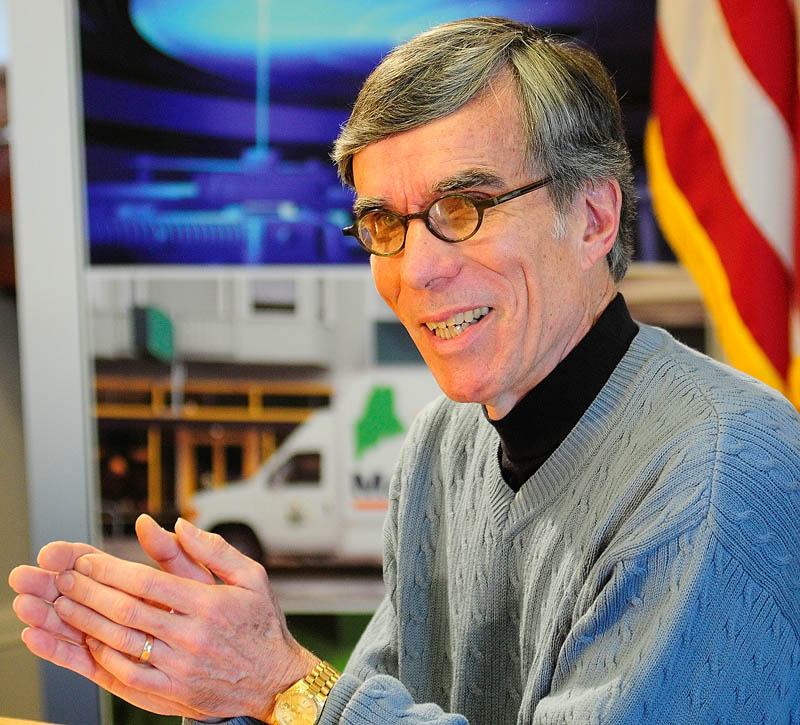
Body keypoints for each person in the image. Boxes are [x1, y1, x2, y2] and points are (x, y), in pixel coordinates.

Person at [9, 16, 800, 725]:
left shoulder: (718, 475)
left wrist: (281, 686)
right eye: (384, 222)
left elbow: (325, 703)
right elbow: (374, 692)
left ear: (594, 215)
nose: (415, 270)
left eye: (466, 207)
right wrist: (219, 691)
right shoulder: (443, 440)